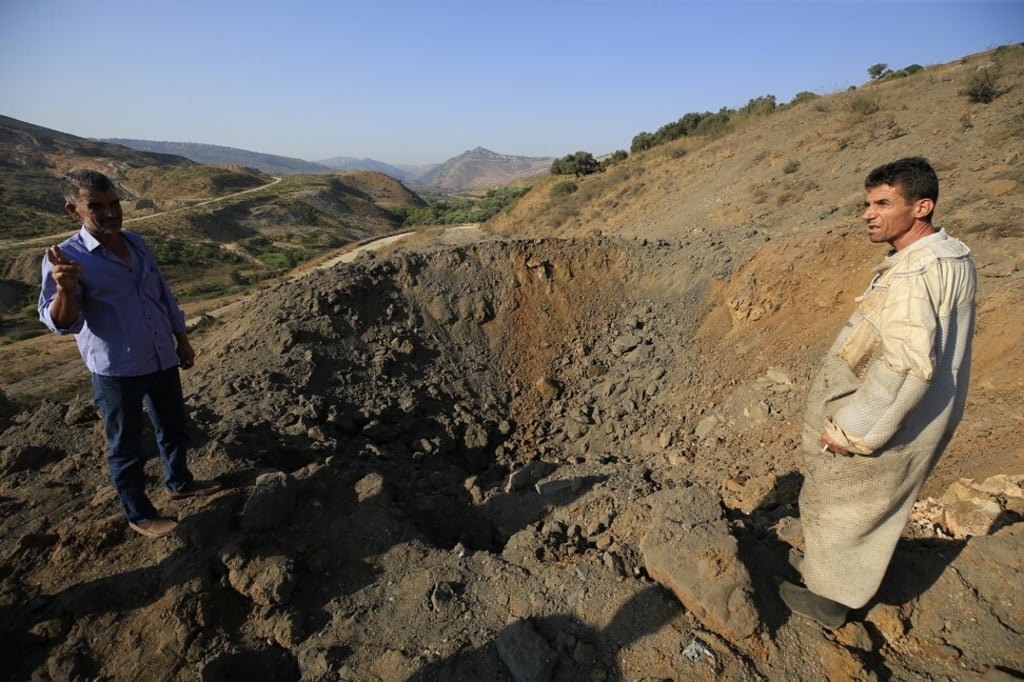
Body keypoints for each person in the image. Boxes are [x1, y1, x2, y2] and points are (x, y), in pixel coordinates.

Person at [780, 157, 976, 628]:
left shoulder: (912, 274)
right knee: (877, 506)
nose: (869, 213)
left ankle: (828, 600)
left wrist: (852, 431)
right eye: (867, 203)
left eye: (884, 203)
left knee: (840, 502)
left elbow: (906, 366)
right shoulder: (951, 255)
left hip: (896, 418)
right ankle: (848, 579)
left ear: (921, 206)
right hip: (932, 411)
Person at [38, 169, 221, 539]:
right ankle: (139, 514)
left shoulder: (135, 243)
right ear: (75, 211)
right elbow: (63, 323)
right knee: (126, 445)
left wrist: (181, 338)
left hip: (160, 356)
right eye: (97, 207)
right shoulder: (66, 259)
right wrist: (66, 290)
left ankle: (180, 482)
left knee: (173, 427)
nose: (109, 213)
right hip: (117, 369)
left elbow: (161, 294)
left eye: (114, 204)